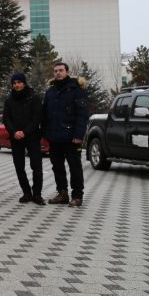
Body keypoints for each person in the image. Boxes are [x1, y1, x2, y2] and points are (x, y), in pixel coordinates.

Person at [42, 62, 88, 207]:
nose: (58, 73)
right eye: (55, 71)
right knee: (57, 167)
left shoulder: (76, 90)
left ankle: (77, 196)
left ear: (67, 72)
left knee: (75, 167)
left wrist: (78, 135)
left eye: (61, 70)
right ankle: (62, 193)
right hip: (54, 137)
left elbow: (82, 115)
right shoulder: (50, 91)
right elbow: (45, 113)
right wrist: (45, 132)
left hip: (71, 137)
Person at [3, 73, 45, 205]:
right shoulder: (9, 99)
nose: (16, 85)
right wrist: (14, 132)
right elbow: (6, 118)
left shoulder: (34, 97)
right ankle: (26, 192)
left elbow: (37, 117)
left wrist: (24, 132)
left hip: (32, 137)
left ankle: (37, 194)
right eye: (14, 83)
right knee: (19, 166)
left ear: (24, 83)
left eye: (19, 82)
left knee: (36, 166)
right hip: (16, 138)